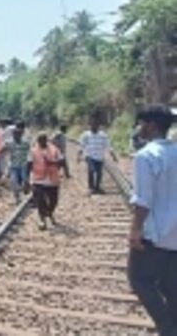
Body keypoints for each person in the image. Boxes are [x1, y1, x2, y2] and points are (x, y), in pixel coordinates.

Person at [127, 105, 177, 336]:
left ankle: (167, 329)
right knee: (170, 286)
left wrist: (136, 230)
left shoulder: (145, 155)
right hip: (175, 234)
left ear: (152, 125)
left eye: (142, 123)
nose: (139, 128)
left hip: (154, 235)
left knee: (139, 279)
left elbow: (143, 199)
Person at [28, 133, 63, 230]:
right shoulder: (33, 151)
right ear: (38, 141)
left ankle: (49, 212)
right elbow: (29, 164)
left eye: (44, 140)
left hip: (52, 179)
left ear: (47, 140)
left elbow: (61, 162)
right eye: (40, 140)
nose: (42, 142)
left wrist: (52, 163)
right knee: (40, 201)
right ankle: (42, 220)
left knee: (53, 201)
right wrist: (27, 179)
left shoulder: (54, 149)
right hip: (38, 179)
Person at [77, 119, 118, 194]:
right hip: (89, 156)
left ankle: (97, 187)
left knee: (99, 173)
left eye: (96, 125)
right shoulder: (86, 135)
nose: (94, 127)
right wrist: (79, 156)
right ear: (90, 126)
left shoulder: (103, 135)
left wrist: (113, 155)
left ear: (98, 126)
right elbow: (81, 146)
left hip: (100, 157)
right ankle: (91, 187)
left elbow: (108, 146)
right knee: (91, 170)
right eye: (92, 125)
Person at [2, 127, 31, 203]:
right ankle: (17, 196)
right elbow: (3, 149)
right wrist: (3, 150)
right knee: (13, 181)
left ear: (21, 135)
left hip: (23, 165)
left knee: (24, 181)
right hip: (14, 166)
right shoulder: (10, 143)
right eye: (14, 135)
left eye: (18, 135)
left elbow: (31, 152)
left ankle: (25, 191)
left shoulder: (25, 143)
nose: (16, 136)